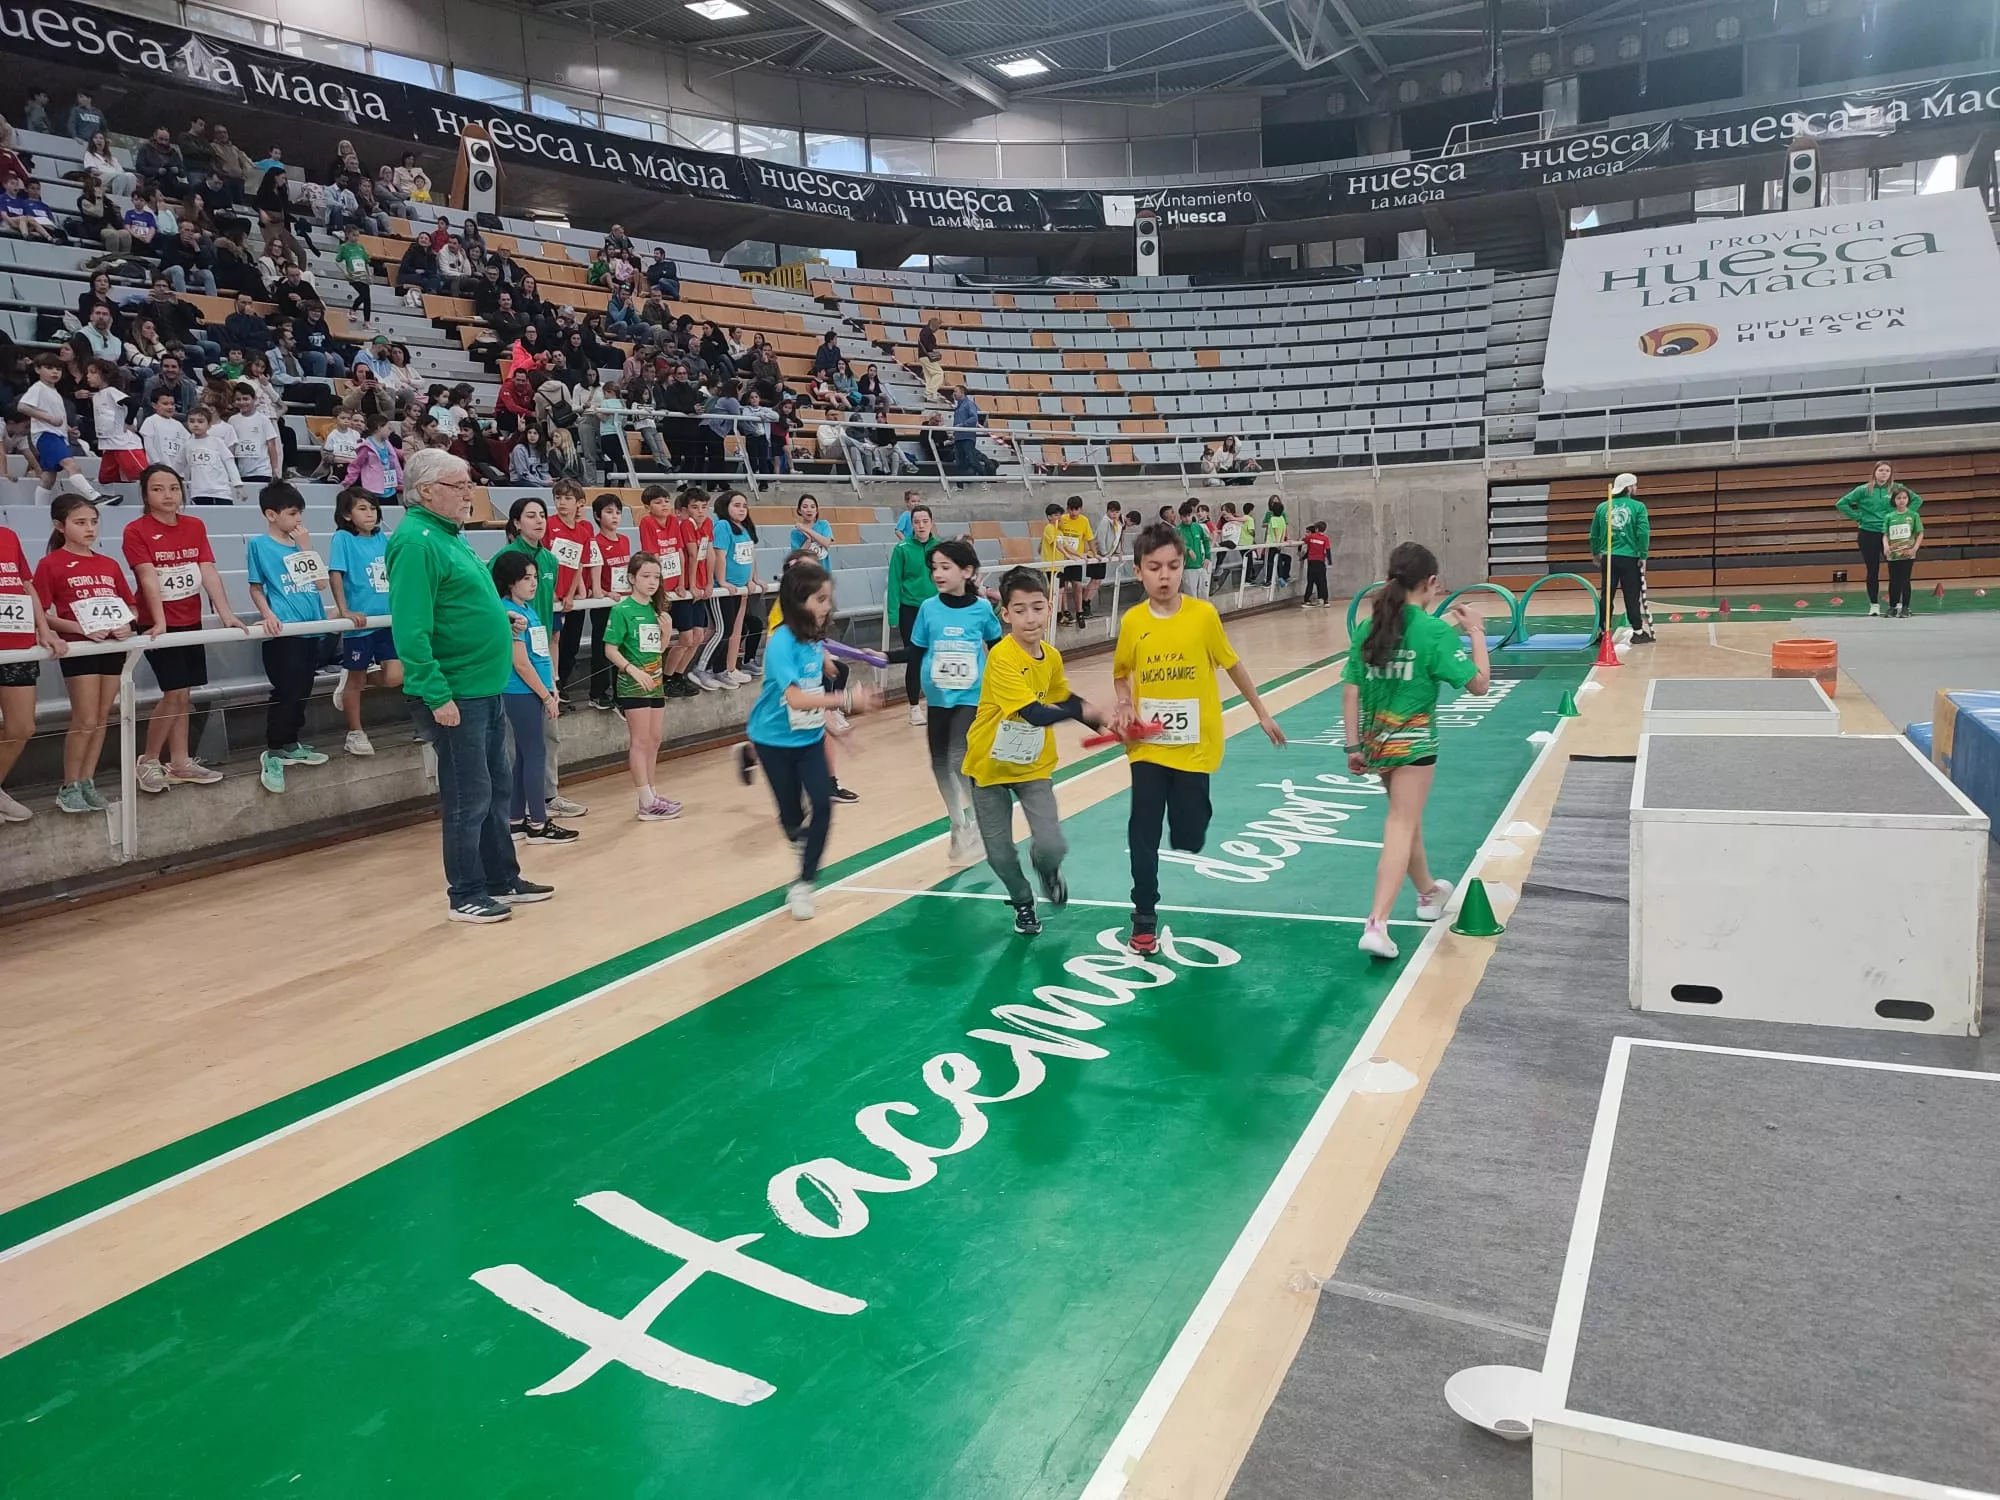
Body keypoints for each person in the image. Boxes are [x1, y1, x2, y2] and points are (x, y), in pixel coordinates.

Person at [388, 449, 550, 920]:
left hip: (484, 686)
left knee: (497, 786)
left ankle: (502, 877)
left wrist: (502, 618)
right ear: (426, 491)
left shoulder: (448, 536)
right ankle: (465, 893)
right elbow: (411, 629)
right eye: (459, 485)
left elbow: (459, 603)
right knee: (468, 795)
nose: (469, 493)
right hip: (455, 691)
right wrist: (436, 693)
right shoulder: (417, 543)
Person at [1114, 521, 1285, 956]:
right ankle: (1143, 918)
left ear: (1183, 565)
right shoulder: (1133, 622)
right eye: (1155, 567)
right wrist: (1124, 704)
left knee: (1189, 835)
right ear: (1139, 571)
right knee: (1142, 830)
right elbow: (1121, 673)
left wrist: (1261, 712)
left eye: (1172, 566)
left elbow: (1233, 665)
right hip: (1148, 747)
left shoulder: (1203, 616)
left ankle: (1191, 826)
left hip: (1195, 748)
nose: (1165, 575)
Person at [1343, 541, 1490, 960]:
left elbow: (1350, 689)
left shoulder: (1370, 626)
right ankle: (1377, 922)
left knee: (1408, 822)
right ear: (1430, 583)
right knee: (1401, 823)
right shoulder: (1434, 631)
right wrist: (1476, 632)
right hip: (1414, 744)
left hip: (1376, 743)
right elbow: (1480, 684)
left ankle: (1428, 893)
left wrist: (1353, 745)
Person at [963, 566, 1113, 935]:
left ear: (1050, 607)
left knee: (1051, 844)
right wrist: (1083, 710)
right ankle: (1023, 900)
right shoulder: (1002, 658)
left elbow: (1061, 695)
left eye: (1037, 608)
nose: (1030, 619)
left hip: (1033, 767)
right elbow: (1033, 714)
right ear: (1006, 614)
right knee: (999, 853)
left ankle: (1046, 870)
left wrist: (1101, 722)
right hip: (989, 769)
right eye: (1020, 610)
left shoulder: (1051, 656)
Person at [747, 559, 882, 919]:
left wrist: (837, 730)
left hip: (806, 739)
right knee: (792, 817)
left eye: (828, 599)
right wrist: (847, 700)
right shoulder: (781, 643)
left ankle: (804, 883)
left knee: (822, 804)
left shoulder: (813, 642)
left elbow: (811, 694)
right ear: (799, 600)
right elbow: (794, 698)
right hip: (772, 741)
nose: (828, 606)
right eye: (821, 599)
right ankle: (749, 755)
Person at [123, 463, 241, 794]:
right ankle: (147, 760)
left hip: (191, 619)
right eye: (158, 489)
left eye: (174, 488)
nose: (168, 495)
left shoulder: (194, 525)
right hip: (157, 624)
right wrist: (159, 620)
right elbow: (147, 576)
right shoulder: (136, 530)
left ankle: (180, 761)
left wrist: (226, 612)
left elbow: (207, 570)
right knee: (173, 693)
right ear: (145, 494)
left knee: (184, 694)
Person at [34, 495, 135, 814]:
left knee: (103, 716)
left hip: (111, 647)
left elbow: (129, 605)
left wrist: (125, 624)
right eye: (80, 523)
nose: (90, 528)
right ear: (59, 526)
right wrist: (79, 628)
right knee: (85, 718)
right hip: (80, 649)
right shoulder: (51, 564)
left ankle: (86, 780)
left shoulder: (108, 564)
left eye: (93, 521)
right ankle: (69, 784)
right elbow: (42, 612)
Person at [910, 537, 1002, 865]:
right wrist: (882, 655)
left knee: (958, 758)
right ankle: (958, 823)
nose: (937, 573)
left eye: (945, 567)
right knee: (938, 763)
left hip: (970, 697)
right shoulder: (928, 609)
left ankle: (978, 822)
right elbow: (916, 652)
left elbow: (998, 647)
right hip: (937, 699)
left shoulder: (980, 610)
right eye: (934, 567)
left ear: (967, 571)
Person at [243, 482, 331, 792]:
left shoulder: (302, 545)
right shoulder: (259, 545)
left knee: (304, 688)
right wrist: (268, 614)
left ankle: (292, 742)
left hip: (311, 627)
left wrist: (306, 548)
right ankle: (274, 750)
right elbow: (256, 587)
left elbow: (321, 584)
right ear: (271, 514)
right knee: (287, 690)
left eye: (300, 514)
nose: (298, 520)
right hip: (284, 631)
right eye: (293, 513)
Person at [490, 550, 577, 846]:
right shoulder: (508, 613)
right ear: (509, 581)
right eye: (525, 578)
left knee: (527, 757)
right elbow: (521, 663)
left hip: (537, 690)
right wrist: (545, 695)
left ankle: (516, 821)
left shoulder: (529, 609)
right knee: (534, 754)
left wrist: (552, 685)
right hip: (520, 692)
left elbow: (540, 655)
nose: (533, 583)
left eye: (535, 578)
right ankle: (538, 824)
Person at [601, 552, 681, 821]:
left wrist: (667, 634)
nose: (652, 582)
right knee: (640, 740)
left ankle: (651, 794)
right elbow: (610, 649)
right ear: (632, 578)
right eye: (646, 576)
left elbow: (655, 651)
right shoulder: (621, 610)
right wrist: (631, 670)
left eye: (656, 577)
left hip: (655, 682)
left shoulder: (656, 611)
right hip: (632, 685)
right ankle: (646, 800)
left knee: (655, 739)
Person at [0, 519, 67, 821]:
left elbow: (26, 584)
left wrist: (44, 628)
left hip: (17, 644)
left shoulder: (9, 536)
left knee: (22, 727)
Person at [325, 487, 399, 758]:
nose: (370, 514)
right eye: (362, 509)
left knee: (395, 676)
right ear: (347, 514)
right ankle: (355, 732)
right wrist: (344, 610)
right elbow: (336, 574)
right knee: (355, 678)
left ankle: (351, 683)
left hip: (388, 620)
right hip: (361, 622)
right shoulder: (343, 539)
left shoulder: (384, 540)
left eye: (373, 508)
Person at [1836, 460, 1924, 617]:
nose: (1884, 473)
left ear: (1891, 473)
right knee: (1872, 570)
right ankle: (1874, 604)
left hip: (1891, 534)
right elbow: (1842, 503)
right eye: (1881, 470)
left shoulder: (1897, 488)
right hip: (1868, 532)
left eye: (1887, 471)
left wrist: (1903, 515)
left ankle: (1897, 604)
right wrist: (1858, 517)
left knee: (1896, 571)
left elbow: (1917, 500)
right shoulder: (1863, 490)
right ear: (1875, 472)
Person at [696, 488, 764, 688]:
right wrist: (723, 581)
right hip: (723, 589)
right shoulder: (723, 526)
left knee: (733, 630)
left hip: (739, 589)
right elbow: (719, 555)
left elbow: (750, 557)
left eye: (744, 506)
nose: (742, 509)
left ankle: (721, 669)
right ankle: (701, 668)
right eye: (736, 505)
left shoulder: (745, 529)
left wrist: (753, 579)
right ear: (725, 507)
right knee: (721, 630)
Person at [19, 351, 103, 510]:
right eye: (49, 368)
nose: (54, 372)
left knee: (48, 477)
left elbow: (56, 417)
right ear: (37, 369)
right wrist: (47, 418)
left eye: (58, 369)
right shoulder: (38, 388)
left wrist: (67, 429)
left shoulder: (53, 391)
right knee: (71, 465)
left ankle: (39, 509)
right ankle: (94, 496)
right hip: (46, 435)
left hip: (56, 434)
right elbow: (22, 406)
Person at [888, 502, 940, 724]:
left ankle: (937, 703)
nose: (920, 525)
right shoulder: (901, 549)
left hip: (935, 609)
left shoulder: (940, 548)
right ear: (911, 524)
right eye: (916, 522)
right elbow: (894, 582)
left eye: (925, 521)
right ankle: (913, 707)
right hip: (910, 609)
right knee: (914, 656)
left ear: (931, 523)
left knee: (936, 656)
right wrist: (893, 614)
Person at [1590, 472, 1653, 644]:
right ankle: (1638, 631)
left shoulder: (1602, 507)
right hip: (1629, 558)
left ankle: (1604, 632)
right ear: (1629, 488)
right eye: (1635, 485)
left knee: (1607, 595)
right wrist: (1643, 555)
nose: (1636, 488)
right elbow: (1643, 533)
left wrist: (1596, 554)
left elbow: (1593, 535)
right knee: (1631, 595)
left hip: (1608, 557)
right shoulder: (1638, 507)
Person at [664, 486, 715, 694]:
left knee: (698, 636)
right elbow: (691, 556)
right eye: (695, 507)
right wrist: (692, 585)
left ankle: (679, 675)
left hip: (701, 587)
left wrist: (709, 583)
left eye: (704, 507)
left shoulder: (708, 523)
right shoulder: (686, 525)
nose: (701, 511)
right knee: (685, 637)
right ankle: (667, 678)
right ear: (685, 510)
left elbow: (709, 554)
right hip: (685, 588)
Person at [585, 492, 630, 708]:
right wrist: (603, 591)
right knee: (602, 649)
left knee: (620, 648)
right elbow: (593, 573)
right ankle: (598, 692)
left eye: (618, 512)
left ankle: (620, 692)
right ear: (597, 515)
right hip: (603, 604)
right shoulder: (595, 542)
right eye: (609, 512)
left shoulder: (625, 540)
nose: (615, 517)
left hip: (622, 603)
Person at [182, 407, 242, 505]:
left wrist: (237, 484)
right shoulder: (187, 445)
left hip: (221, 492)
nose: (196, 424)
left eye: (200, 421)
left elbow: (229, 461)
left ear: (209, 425)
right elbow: (178, 465)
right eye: (192, 421)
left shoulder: (217, 442)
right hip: (199, 493)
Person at [344, 410, 404, 505]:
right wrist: (349, 480)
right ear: (379, 428)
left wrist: (401, 480)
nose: (391, 431)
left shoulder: (388, 444)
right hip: (373, 489)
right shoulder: (366, 446)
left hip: (390, 488)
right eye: (388, 428)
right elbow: (356, 465)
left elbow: (395, 463)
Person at [1883, 485, 1923, 618]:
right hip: (1893, 555)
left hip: (1908, 554)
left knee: (1905, 580)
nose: (1902, 500)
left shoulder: (1913, 515)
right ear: (1894, 500)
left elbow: (1919, 533)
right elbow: (1885, 534)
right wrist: (1886, 547)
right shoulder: (1889, 516)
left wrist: (1914, 548)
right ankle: (1892, 607)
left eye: (1904, 498)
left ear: (1908, 500)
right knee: (1893, 580)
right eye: (1899, 498)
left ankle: (1906, 607)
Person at [1176, 499, 1212, 600]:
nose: (1187, 519)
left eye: (1188, 516)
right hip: (1188, 568)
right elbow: (1176, 544)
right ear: (1180, 517)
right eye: (1184, 517)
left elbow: (1206, 541)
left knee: (1204, 595)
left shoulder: (1197, 527)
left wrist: (1208, 557)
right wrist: (1188, 549)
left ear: (1192, 515)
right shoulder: (1178, 530)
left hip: (1202, 566)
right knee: (1191, 596)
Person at [789, 493, 833, 564]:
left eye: (812, 507)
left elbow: (826, 543)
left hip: (823, 570)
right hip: (806, 571)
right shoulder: (795, 532)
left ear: (816, 510)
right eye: (805, 507)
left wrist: (806, 529)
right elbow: (796, 556)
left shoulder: (824, 524)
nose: (809, 510)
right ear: (799, 510)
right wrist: (808, 540)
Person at [1302, 521, 1332, 607]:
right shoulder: (1325, 539)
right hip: (1320, 562)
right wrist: (1330, 562)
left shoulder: (1311, 537)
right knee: (1322, 581)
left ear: (1316, 529)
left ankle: (1306, 599)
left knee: (1310, 581)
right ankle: (1325, 600)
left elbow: (1304, 540)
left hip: (1311, 562)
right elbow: (1328, 550)